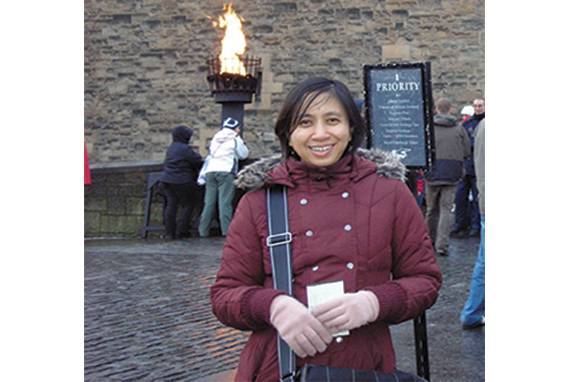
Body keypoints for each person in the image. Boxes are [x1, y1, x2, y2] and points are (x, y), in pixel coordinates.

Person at [210, 77, 442, 382]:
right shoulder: (259, 201)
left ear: (350, 129)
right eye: (305, 122)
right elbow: (225, 295)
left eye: (332, 120)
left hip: (364, 367)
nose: (320, 134)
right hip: (278, 366)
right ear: (288, 134)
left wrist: (373, 302)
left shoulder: (390, 193)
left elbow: (424, 280)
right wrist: (274, 306)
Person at [423, 98, 471, 256]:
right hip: (452, 172)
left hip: (433, 171)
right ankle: (442, 244)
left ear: (437, 110)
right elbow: (466, 152)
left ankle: (429, 240)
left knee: (431, 210)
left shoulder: (429, 128)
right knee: (446, 210)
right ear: (451, 110)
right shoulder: (459, 129)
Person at [198, 117, 250, 237]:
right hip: (226, 170)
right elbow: (243, 154)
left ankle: (203, 230)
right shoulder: (235, 138)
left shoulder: (216, 137)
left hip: (211, 171)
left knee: (209, 203)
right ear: (235, 128)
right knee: (225, 203)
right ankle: (226, 231)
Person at [158, 125, 204, 240]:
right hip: (181, 180)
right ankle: (181, 231)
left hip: (166, 179)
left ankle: (170, 232)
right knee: (188, 204)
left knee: (171, 204)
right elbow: (197, 160)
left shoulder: (171, 147)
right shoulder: (184, 149)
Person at [460, 118, 485, 329]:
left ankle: (472, 312)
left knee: (484, 263)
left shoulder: (481, 125)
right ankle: (472, 312)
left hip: (485, 197)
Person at [450, 98, 485, 239]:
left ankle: (475, 226)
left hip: (479, 166)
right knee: (460, 197)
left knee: (478, 198)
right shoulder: (467, 124)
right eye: (476, 106)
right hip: (466, 166)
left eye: (480, 106)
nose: (477, 108)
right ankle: (460, 223)